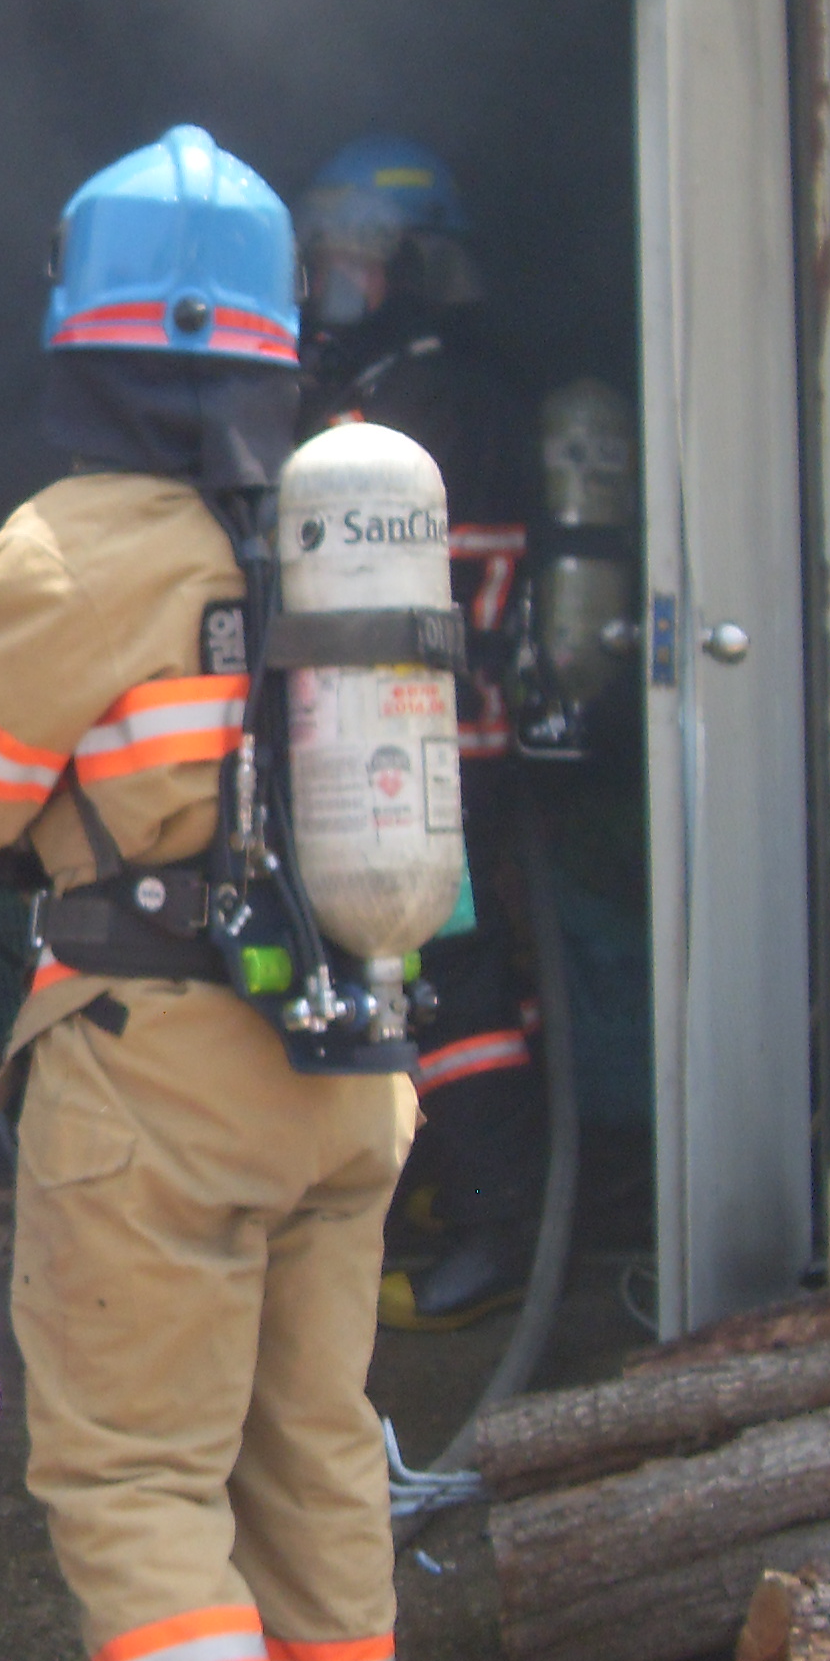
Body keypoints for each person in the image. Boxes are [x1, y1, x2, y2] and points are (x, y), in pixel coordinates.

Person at [0, 126, 413, 1661]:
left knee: (131, 1469)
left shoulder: (80, 544)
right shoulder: (334, 517)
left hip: (157, 1074)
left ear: (79, 337)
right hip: (347, 1064)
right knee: (310, 1442)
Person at [295, 134, 545, 1332]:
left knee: (451, 981)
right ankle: (455, 1195)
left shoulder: (419, 407)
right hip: (413, 743)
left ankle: (503, 1229)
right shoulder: (418, 385)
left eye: (353, 250)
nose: (331, 273)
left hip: (425, 748)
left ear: (414, 263)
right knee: (435, 973)